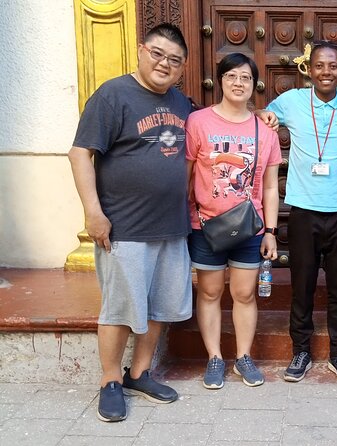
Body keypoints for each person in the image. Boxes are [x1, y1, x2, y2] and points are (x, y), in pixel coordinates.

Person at [68, 23, 193, 422]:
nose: (164, 64)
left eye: (174, 60)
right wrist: (93, 212)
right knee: (121, 309)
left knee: (158, 307)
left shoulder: (181, 103)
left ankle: (139, 373)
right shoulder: (112, 94)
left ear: (183, 67)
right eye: (157, 53)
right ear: (141, 51)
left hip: (171, 226)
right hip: (125, 227)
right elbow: (78, 154)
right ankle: (109, 380)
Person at [264, 41, 337, 383]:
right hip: (302, 211)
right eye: (319, 66)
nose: (325, 72)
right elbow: (261, 117)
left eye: (332, 66)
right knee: (302, 285)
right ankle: (301, 351)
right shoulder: (290, 101)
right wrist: (263, 116)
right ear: (309, 70)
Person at [185, 53, 281, 389]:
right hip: (205, 225)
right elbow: (186, 175)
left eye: (245, 78)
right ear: (220, 80)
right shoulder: (197, 122)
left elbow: (270, 186)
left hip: (248, 227)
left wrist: (270, 230)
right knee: (210, 292)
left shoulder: (264, 130)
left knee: (244, 294)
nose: (238, 83)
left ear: (254, 85)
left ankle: (243, 357)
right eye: (231, 76)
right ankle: (214, 357)